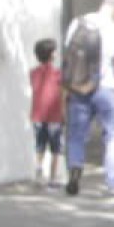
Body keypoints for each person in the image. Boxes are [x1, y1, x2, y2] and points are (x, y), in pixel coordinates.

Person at [63, 0, 114, 196]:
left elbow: (69, 57)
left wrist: (67, 88)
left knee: (76, 134)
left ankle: (75, 169)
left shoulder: (77, 23)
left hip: (78, 87)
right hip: (106, 88)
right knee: (113, 134)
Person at [29, 38, 65, 187]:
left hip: (37, 115)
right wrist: (64, 112)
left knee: (40, 145)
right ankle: (52, 177)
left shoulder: (33, 73)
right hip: (54, 115)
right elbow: (61, 93)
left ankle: (38, 171)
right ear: (51, 54)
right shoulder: (58, 74)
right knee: (55, 148)